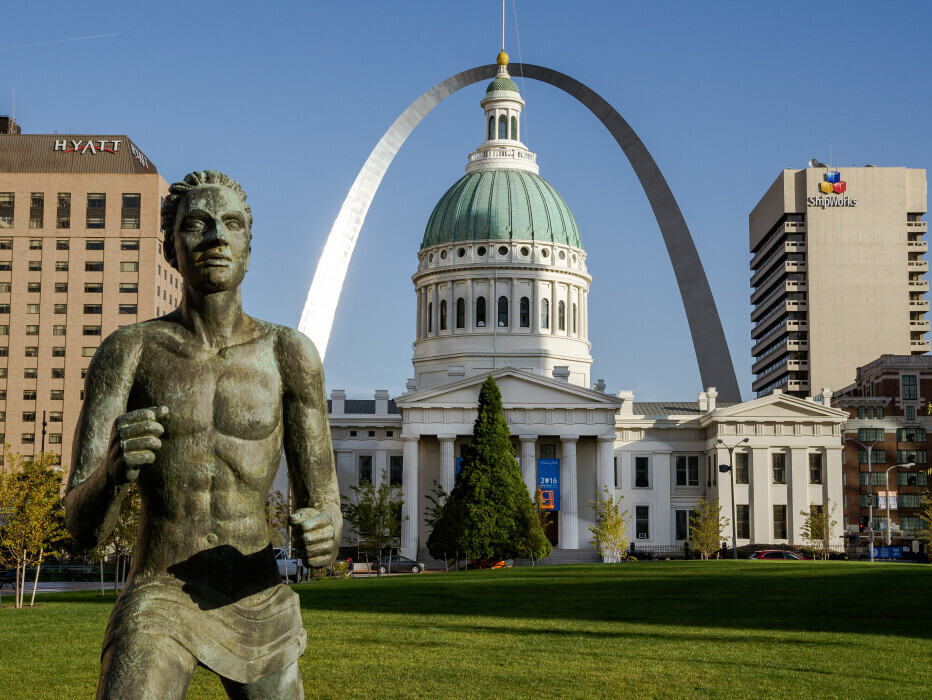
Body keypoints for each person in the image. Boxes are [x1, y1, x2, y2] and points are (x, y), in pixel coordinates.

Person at [65, 170, 341, 699]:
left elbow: (323, 501)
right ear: (171, 246)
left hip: (256, 595)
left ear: (248, 247)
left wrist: (324, 533)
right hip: (160, 593)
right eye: (197, 224)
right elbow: (80, 528)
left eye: (231, 224)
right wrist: (111, 473)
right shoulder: (129, 353)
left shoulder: (290, 355)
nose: (216, 236)